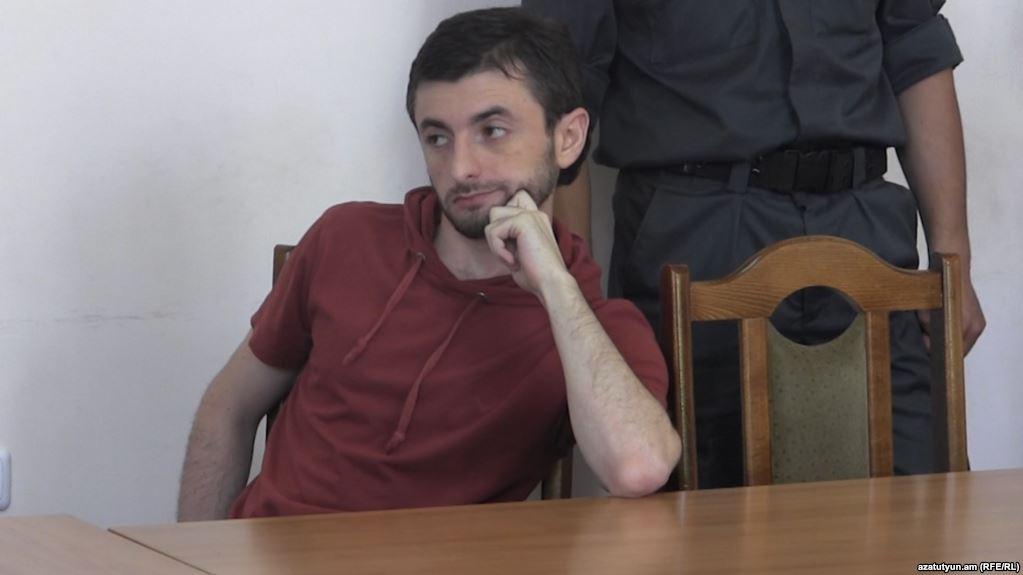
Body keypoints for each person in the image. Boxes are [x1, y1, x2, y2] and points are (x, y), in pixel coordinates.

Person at [176, 7, 681, 521]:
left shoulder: (592, 324)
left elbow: (638, 468)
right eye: (437, 137)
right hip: (270, 545)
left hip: (437, 556)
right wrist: (192, 553)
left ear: (568, 138)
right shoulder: (345, 237)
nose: (460, 168)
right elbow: (228, 407)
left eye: (493, 131)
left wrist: (555, 286)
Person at [523, 0, 985, 487]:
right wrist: (576, 302)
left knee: (919, 492)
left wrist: (953, 262)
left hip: (864, 234)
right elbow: (557, 99)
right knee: (702, 501)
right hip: (696, 239)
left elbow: (914, 45)